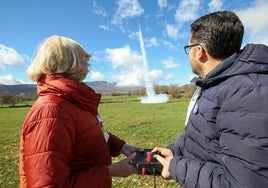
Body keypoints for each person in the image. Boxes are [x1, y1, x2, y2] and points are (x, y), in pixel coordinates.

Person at [153, 10, 268, 188]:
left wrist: (176, 167)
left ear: (200, 51)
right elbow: (207, 139)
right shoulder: (216, 85)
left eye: (188, 48)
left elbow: (243, 183)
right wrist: (175, 152)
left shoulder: (246, 94)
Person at [19, 35, 141, 188]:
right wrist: (111, 171)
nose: (87, 66)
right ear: (70, 62)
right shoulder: (50, 111)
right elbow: (47, 185)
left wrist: (122, 147)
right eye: (84, 60)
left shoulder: (73, 100)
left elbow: (91, 133)